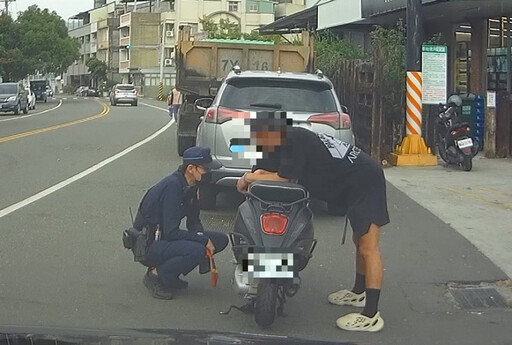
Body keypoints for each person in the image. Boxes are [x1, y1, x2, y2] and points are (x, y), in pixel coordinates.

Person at [235, 113, 389, 332]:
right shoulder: (272, 144)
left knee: (368, 247)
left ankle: (371, 315)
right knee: (358, 240)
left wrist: (247, 179)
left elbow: (285, 178)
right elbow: (263, 171)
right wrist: (252, 176)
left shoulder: (294, 140)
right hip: (350, 183)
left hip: (366, 180)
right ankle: (358, 292)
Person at [134, 146, 228, 300]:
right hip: (149, 243)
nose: (208, 173)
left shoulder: (190, 186)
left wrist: (199, 234)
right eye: (205, 169)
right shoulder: (173, 187)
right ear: (191, 168)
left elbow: (194, 221)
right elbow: (171, 232)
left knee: (220, 240)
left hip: (165, 237)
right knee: (196, 249)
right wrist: (202, 241)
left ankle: (170, 274)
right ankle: (155, 274)